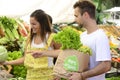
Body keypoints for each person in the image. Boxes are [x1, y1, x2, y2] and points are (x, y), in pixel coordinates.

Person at [32, 0, 111, 80]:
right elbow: (69, 53)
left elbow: (106, 66)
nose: (75, 19)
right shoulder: (83, 35)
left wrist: (82, 76)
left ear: (85, 15)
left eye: (76, 16)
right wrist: (43, 53)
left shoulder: (100, 36)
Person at [1, 9, 60, 80]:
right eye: (30, 24)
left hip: (48, 77)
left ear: (42, 24)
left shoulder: (52, 37)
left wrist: (59, 72)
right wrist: (6, 62)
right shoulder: (30, 38)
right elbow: (25, 58)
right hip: (30, 77)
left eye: (34, 24)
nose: (31, 27)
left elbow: (62, 54)